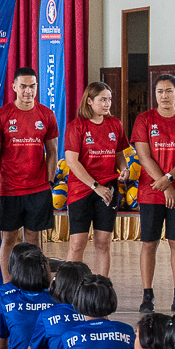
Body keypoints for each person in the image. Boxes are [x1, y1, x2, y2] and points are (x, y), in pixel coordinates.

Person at [132, 73, 175, 315]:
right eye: (160, 91)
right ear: (155, 94)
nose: (164, 96)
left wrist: (170, 180)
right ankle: (147, 296)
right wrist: (164, 184)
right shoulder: (144, 119)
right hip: (151, 193)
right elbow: (143, 156)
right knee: (149, 244)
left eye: (169, 91)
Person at [0, 67, 59, 281]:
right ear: (14, 87)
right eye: (23, 86)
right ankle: (7, 285)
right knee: (9, 239)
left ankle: (34, 284)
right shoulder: (1, 116)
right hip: (8, 189)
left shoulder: (46, 114)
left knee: (33, 241)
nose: (28, 91)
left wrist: (48, 182)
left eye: (32, 86)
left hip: (37, 189)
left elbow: (53, 151)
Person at [60, 81, 123, 278]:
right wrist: (95, 186)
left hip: (108, 190)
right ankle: (68, 289)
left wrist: (124, 168)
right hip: (82, 190)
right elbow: (72, 161)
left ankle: (101, 288)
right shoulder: (76, 126)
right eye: (102, 99)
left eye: (109, 100)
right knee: (78, 243)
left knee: (103, 242)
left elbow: (119, 153)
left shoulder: (115, 124)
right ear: (89, 101)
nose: (107, 104)